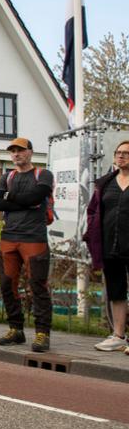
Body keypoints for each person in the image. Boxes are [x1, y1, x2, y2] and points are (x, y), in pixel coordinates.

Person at [0, 137, 54, 352]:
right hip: (8, 237)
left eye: (20, 150)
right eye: (12, 151)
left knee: (38, 285)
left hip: (34, 238)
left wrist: (12, 199)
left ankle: (42, 333)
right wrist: (24, 200)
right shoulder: (7, 177)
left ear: (30, 152)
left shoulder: (43, 174)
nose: (16, 154)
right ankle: (16, 329)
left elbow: (37, 196)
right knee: (7, 285)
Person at [85, 140, 129, 353]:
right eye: (118, 152)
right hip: (111, 246)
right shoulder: (106, 183)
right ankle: (119, 336)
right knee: (116, 291)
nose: (121, 156)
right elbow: (93, 211)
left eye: (126, 153)